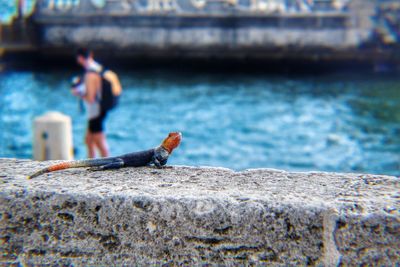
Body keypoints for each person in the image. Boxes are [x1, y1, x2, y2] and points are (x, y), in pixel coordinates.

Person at [74, 48, 110, 158]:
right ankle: (90, 163)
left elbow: (90, 98)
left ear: (79, 58)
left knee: (100, 142)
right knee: (88, 140)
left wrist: (78, 93)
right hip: (100, 109)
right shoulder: (98, 68)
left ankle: (110, 164)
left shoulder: (90, 73)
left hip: (96, 111)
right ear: (91, 55)